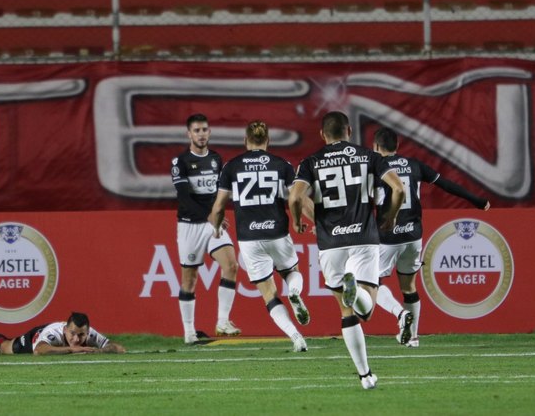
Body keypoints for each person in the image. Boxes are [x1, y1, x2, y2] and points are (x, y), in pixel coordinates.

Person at [288, 111, 405, 390]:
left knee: (346, 312)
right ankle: (359, 292)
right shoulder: (369, 156)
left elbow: (294, 196)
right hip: (364, 237)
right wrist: (392, 215)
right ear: (349, 131)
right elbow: (398, 189)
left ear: (322, 135)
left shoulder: (311, 162)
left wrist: (297, 220)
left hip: (331, 244)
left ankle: (365, 376)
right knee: (367, 309)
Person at [372, 127, 491, 348]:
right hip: (414, 236)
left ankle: (399, 315)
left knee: (371, 284)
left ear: (376, 147)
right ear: (397, 146)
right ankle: (413, 338)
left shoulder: (375, 168)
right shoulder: (414, 165)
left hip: (388, 235)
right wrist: (477, 200)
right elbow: (446, 184)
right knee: (408, 286)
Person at [209, 121, 313, 352]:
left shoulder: (231, 167)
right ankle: (294, 292)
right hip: (277, 232)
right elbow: (298, 199)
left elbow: (218, 208)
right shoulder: (282, 165)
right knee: (291, 272)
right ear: (268, 141)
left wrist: (216, 228)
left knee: (269, 294)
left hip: (249, 238)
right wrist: (306, 220)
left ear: (245, 141)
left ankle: (296, 337)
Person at [171, 113, 241, 344]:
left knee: (231, 265)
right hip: (191, 225)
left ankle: (222, 320)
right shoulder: (180, 162)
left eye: (204, 130)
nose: (201, 134)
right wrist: (210, 216)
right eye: (197, 130)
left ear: (209, 132)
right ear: (189, 134)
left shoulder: (216, 159)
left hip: (213, 224)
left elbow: (219, 193)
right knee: (189, 281)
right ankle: (189, 333)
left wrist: (217, 215)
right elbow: (183, 197)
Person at [0, 312, 126, 355]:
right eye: (72, 334)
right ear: (65, 330)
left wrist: (98, 351)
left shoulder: (90, 334)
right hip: (36, 337)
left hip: (52, 344)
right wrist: (72, 350)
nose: (76, 339)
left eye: (81, 335)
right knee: (6, 348)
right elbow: (39, 351)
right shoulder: (53, 333)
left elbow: (119, 348)